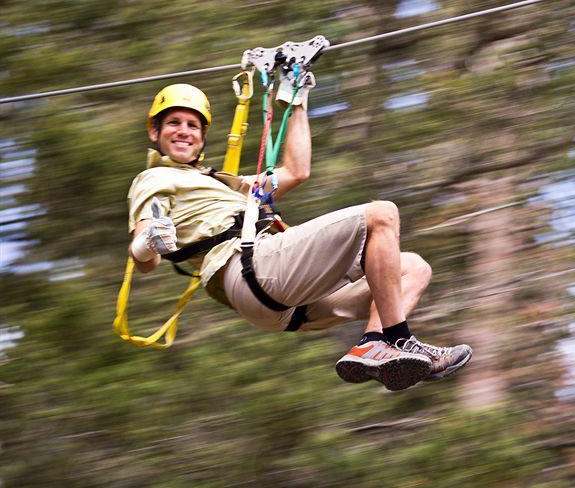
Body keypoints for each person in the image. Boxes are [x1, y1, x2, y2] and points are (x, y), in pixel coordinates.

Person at [127, 80, 471, 391]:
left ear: (202, 137)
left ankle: (374, 341)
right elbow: (144, 255)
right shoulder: (154, 179)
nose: (184, 131)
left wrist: (296, 100)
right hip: (250, 271)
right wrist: (148, 244)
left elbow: (296, 171)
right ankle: (397, 339)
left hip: (286, 304)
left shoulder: (223, 184)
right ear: (155, 133)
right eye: (174, 123)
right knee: (382, 214)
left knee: (412, 267)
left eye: (192, 125)